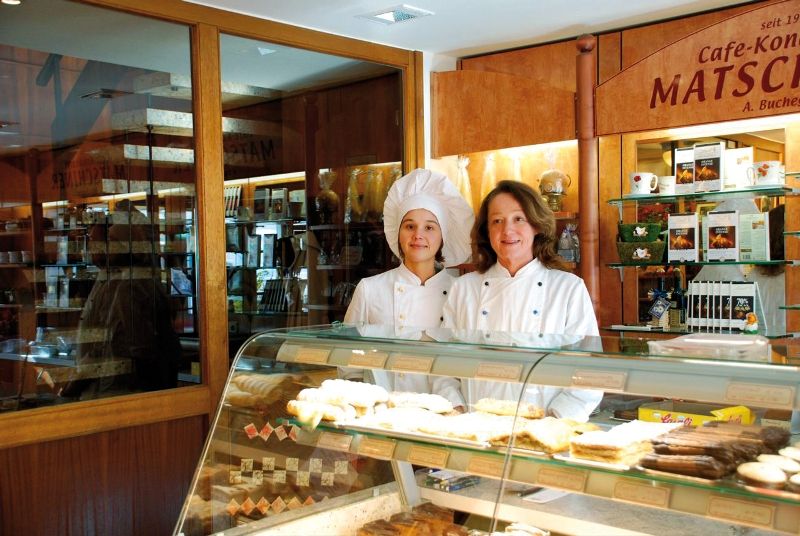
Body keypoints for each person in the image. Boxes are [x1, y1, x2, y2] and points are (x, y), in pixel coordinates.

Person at [442, 180, 602, 421]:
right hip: (476, 430)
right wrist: (457, 412)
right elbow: (443, 364)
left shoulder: (567, 289)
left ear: (536, 225)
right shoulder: (463, 289)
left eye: (519, 219)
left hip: (543, 436)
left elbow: (589, 373)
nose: (507, 231)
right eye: (497, 221)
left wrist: (553, 423)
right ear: (487, 230)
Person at [343, 168, 474, 406]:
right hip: (382, 414)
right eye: (410, 226)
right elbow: (346, 360)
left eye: (429, 227)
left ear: (443, 236)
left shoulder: (461, 292)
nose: (418, 235)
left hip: (444, 413)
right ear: (398, 233)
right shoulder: (370, 289)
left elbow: (465, 363)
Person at [60, 202, 181, 399]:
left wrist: (77, 383)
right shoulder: (121, 278)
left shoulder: (130, 284)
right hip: (113, 387)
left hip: (119, 390)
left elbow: (123, 345)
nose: (104, 248)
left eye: (111, 241)